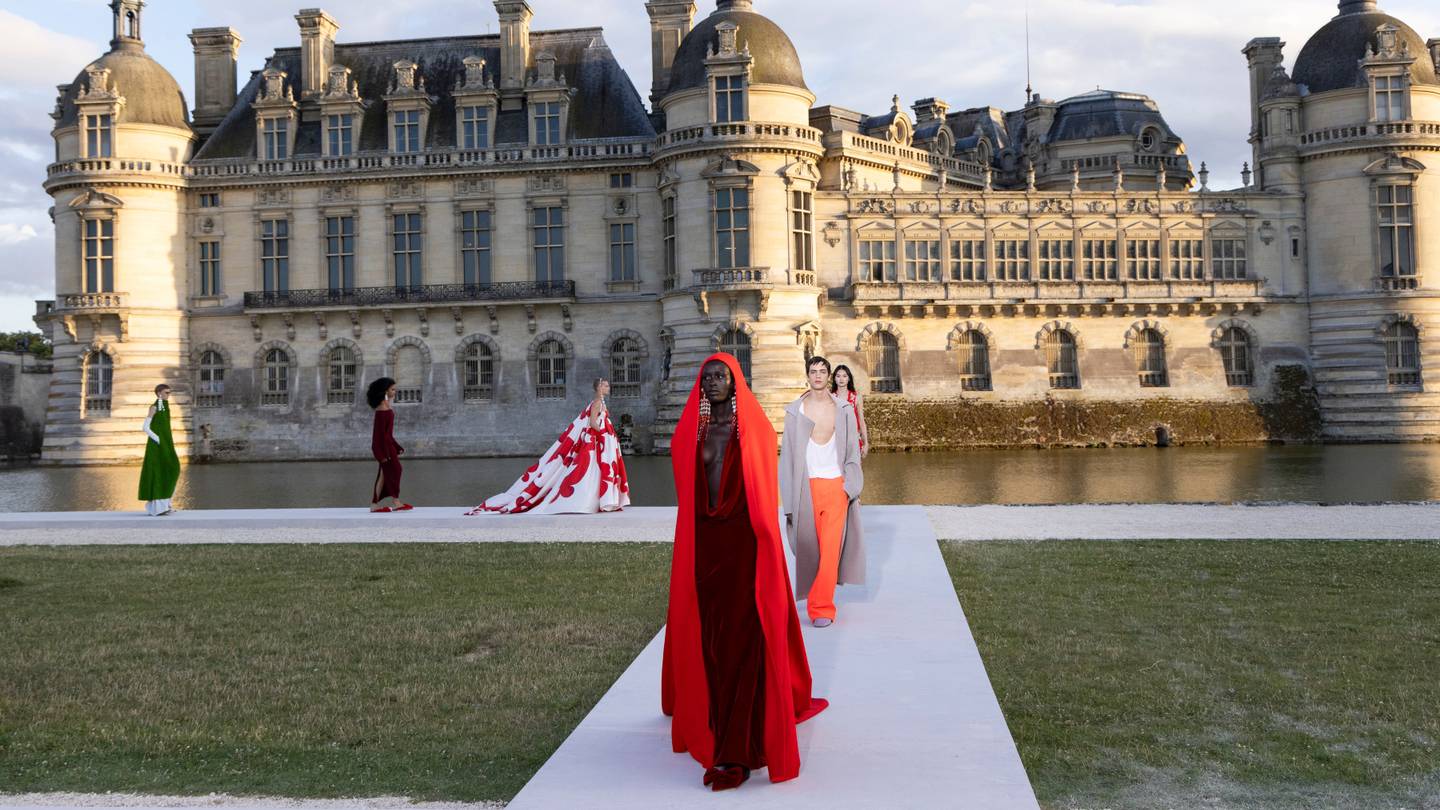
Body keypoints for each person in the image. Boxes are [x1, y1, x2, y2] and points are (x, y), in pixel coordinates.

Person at [662, 353, 828, 791]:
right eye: (708, 376)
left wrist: (768, 549)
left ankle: (736, 749)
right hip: (704, 551)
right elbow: (686, 498)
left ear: (736, 383)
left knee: (741, 642)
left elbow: (761, 497)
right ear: (700, 385)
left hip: (743, 551)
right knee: (711, 641)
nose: (715, 382)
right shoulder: (688, 436)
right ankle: (714, 723)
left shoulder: (751, 431)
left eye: (723, 376)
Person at [780, 356, 866, 627]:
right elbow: (788, 458)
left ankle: (822, 608)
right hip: (806, 488)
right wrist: (789, 500)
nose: (817, 376)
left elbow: (852, 450)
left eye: (822, 371)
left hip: (835, 486)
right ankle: (815, 596)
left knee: (830, 551)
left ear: (829, 376)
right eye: (813, 371)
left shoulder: (843, 409)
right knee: (809, 549)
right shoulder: (796, 411)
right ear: (807, 375)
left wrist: (850, 487)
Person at [467, 378, 629, 515]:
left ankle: (592, 500)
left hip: (596, 441)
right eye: (606, 385)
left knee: (593, 471)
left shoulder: (599, 402)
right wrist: (605, 434)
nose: (608, 388)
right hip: (597, 441)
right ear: (599, 387)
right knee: (590, 470)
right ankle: (588, 500)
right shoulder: (597, 403)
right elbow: (593, 423)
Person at [367, 377, 412, 513]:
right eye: (392, 389)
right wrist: (380, 453)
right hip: (384, 449)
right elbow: (378, 435)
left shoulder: (386, 405)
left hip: (388, 447)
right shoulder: (382, 408)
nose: (395, 391)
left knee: (383, 475)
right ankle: (396, 501)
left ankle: (375, 504)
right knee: (396, 470)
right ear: (385, 390)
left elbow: (388, 434)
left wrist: (397, 447)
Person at [137, 383, 180, 516]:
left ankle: (165, 505)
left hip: (166, 444)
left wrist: (165, 440)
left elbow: (163, 425)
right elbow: (145, 427)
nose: (169, 395)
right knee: (160, 472)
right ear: (159, 393)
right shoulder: (155, 406)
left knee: (172, 469)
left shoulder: (164, 406)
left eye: (169, 393)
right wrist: (159, 439)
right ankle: (160, 508)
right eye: (167, 393)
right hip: (157, 445)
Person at [830, 363, 869, 458]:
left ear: (849, 378)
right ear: (834, 379)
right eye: (838, 376)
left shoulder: (856, 397)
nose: (841, 379)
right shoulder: (830, 398)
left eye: (844, 376)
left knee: (853, 471)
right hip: (835, 442)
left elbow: (861, 421)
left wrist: (866, 443)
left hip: (853, 441)